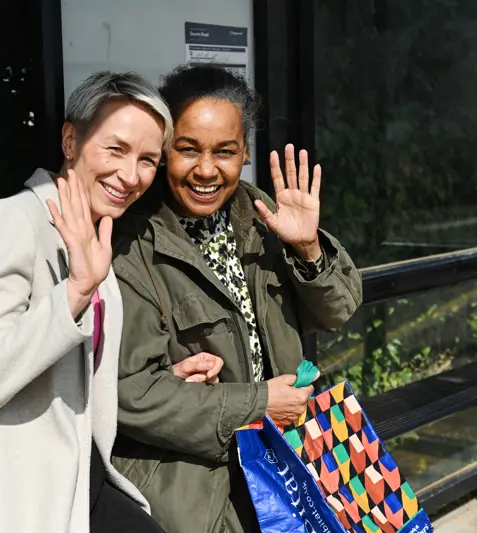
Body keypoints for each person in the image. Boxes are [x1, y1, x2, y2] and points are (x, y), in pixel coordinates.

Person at [0, 71, 208, 533]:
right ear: (70, 141)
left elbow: (72, 376)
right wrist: (74, 294)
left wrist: (168, 379)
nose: (131, 175)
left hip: (78, 483)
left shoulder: (95, 236)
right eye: (116, 149)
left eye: (147, 160)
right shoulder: (14, 222)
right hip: (14, 500)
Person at [110, 64, 363, 533]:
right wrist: (259, 403)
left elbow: (338, 310)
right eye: (188, 149)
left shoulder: (262, 216)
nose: (206, 170)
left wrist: (308, 248)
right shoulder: (132, 244)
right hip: (196, 494)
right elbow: (131, 394)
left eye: (224, 151)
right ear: (164, 149)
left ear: (245, 151)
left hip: (285, 471)